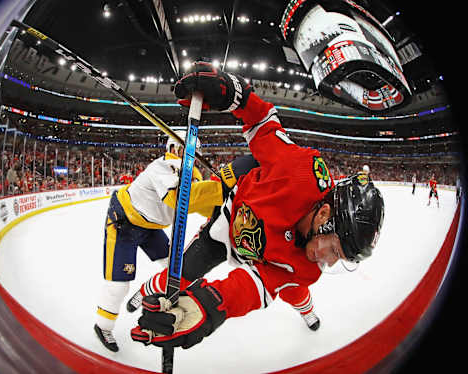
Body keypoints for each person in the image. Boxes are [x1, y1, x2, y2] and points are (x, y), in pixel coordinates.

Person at [127, 62, 385, 350]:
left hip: (264, 260)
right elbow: (263, 120)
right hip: (228, 227)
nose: (330, 261)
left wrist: (210, 306)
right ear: (324, 214)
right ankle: (143, 291)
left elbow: (256, 286)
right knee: (181, 272)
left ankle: (307, 312)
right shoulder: (299, 170)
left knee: (296, 293)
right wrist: (230, 91)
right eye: (335, 250)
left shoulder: (308, 267)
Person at [94, 131, 225, 352]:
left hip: (152, 228)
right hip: (125, 223)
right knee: (118, 285)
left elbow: (202, 206)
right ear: (173, 148)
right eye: (186, 151)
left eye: (194, 153)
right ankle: (103, 325)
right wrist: (221, 188)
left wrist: (225, 207)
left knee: (175, 270)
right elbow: (178, 198)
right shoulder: (164, 166)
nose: (191, 156)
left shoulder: (193, 174)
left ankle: (145, 291)